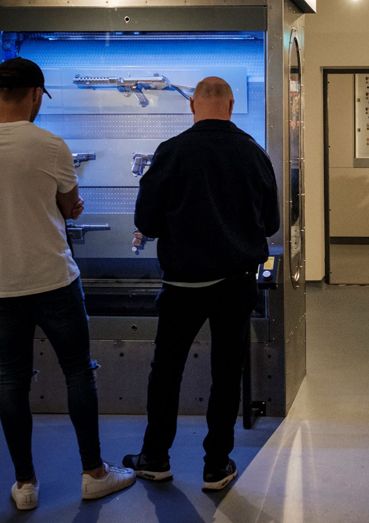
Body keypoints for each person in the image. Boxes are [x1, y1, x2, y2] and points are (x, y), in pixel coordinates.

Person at [0, 57, 135, 511]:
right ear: (36, 94)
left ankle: (25, 486)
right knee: (78, 371)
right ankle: (94, 473)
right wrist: (62, 203)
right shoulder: (50, 145)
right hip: (54, 278)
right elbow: (72, 205)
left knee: (12, 379)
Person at [125, 77, 280, 492]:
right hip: (235, 284)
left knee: (167, 371)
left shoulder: (171, 152)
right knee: (227, 373)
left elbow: (146, 222)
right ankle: (216, 465)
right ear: (230, 105)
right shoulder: (254, 154)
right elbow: (272, 224)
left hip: (181, 286)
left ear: (192, 105)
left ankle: (155, 457)